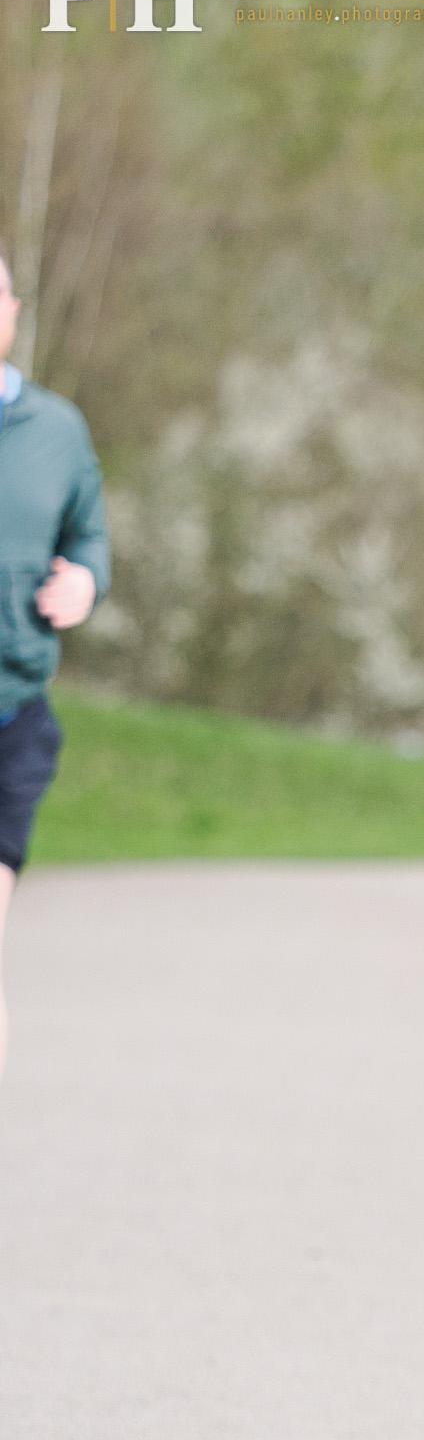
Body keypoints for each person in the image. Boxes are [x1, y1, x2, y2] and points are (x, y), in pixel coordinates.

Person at [0, 252, 110, 1074]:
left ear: (12, 309)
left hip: (13, 709)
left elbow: (90, 532)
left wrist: (86, 579)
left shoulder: (58, 429)